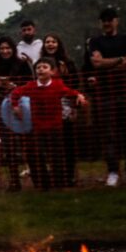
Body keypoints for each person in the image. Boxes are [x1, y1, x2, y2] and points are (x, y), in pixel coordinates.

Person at [10, 57, 87, 190]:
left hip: (55, 128)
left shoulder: (58, 85)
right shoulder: (31, 86)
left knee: (57, 157)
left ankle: (58, 183)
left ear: (52, 72)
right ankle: (42, 184)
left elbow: (70, 92)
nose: (40, 69)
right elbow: (15, 93)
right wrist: (15, 106)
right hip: (38, 129)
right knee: (36, 156)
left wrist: (79, 96)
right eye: (38, 67)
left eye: (44, 67)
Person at [88, 8, 126, 187]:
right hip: (105, 94)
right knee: (109, 134)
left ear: (116, 21)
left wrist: (108, 63)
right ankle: (112, 171)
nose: (107, 23)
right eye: (103, 20)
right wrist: (120, 60)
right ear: (100, 22)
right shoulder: (95, 41)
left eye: (110, 19)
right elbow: (96, 63)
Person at [0, 36, 33, 191]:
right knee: (8, 147)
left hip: (23, 108)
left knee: (29, 145)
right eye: (2, 48)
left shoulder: (22, 64)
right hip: (3, 111)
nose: (5, 51)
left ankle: (39, 178)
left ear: (13, 49)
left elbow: (31, 84)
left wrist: (15, 87)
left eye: (8, 48)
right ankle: (14, 181)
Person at [40, 33, 80, 187]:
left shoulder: (68, 63)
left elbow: (75, 83)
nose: (50, 44)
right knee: (51, 143)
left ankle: (69, 176)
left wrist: (74, 106)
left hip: (66, 105)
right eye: (47, 42)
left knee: (67, 142)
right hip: (46, 106)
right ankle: (56, 175)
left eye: (53, 42)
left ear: (59, 44)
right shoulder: (40, 63)